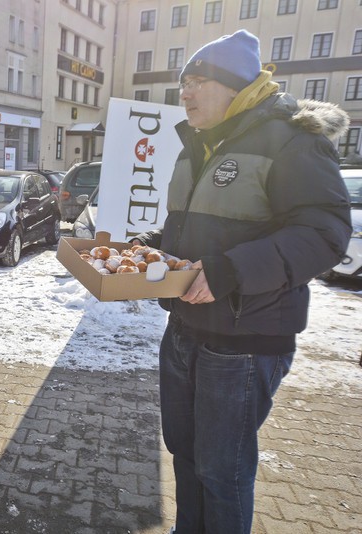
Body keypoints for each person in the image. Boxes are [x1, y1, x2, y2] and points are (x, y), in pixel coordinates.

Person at [132, 30, 351, 534]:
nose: (184, 93)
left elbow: (325, 233)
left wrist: (229, 270)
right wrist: (150, 243)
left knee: (221, 472)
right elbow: (193, 225)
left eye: (197, 81)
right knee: (184, 456)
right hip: (186, 328)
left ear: (234, 87)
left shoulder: (293, 139)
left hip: (243, 344)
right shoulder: (196, 145)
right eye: (183, 82)